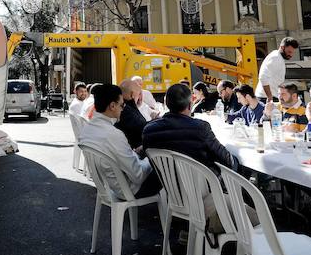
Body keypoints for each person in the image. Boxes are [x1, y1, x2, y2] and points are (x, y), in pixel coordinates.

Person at [142, 84, 254, 235]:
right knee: (238, 176)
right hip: (204, 196)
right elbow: (227, 160)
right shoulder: (200, 128)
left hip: (173, 193)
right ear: (190, 104)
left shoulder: (149, 130)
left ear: (166, 103)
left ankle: (187, 230)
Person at [78, 84, 160, 198]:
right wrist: (150, 160)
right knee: (168, 168)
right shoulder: (113, 134)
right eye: (122, 105)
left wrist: (136, 154)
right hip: (129, 190)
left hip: (110, 185)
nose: (123, 109)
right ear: (112, 106)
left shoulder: (87, 129)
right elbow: (138, 175)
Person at [256, 37, 298, 103]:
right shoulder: (275, 57)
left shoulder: (277, 57)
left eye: (292, 52)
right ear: (282, 47)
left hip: (268, 97)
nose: (291, 55)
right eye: (289, 52)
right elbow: (263, 77)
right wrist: (269, 97)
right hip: (266, 98)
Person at [116, 80, 148, 149]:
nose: (139, 97)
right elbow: (142, 129)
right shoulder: (127, 110)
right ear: (132, 94)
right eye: (139, 94)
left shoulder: (116, 108)